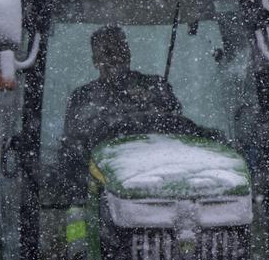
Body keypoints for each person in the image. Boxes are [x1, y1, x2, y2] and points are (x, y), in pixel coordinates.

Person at [58, 25, 185, 197]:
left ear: (129, 54)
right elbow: (73, 152)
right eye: (108, 52)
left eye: (122, 50)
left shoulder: (156, 87)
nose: (117, 58)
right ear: (95, 60)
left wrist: (151, 102)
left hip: (160, 184)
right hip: (100, 190)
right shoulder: (83, 97)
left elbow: (177, 130)